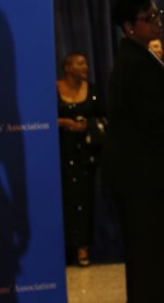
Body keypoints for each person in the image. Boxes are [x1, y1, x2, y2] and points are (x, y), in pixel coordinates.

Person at [104, 0, 164, 302]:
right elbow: (154, 122)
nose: (157, 22)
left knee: (148, 258)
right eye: (148, 17)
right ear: (129, 26)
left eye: (157, 14)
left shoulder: (138, 57)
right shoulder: (136, 64)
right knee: (147, 260)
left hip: (140, 178)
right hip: (142, 181)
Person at [56, 54, 105, 267]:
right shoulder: (54, 88)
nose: (85, 66)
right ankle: (63, 250)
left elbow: (104, 116)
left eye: (86, 62)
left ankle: (83, 248)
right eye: (79, 63)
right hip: (60, 153)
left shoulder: (92, 90)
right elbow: (43, 117)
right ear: (67, 68)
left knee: (85, 200)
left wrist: (88, 125)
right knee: (64, 199)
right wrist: (65, 123)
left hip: (85, 154)